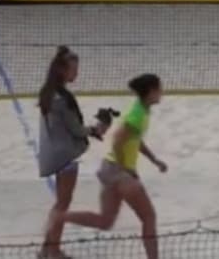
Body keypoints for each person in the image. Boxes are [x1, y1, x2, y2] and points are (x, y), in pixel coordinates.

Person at [59, 74, 167, 259]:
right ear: (150, 92)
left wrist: (154, 160)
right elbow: (117, 141)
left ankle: (60, 217)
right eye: (159, 89)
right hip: (118, 171)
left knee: (105, 221)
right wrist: (127, 169)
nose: (162, 92)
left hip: (108, 168)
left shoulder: (140, 110)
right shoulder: (137, 113)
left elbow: (134, 139)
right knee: (149, 217)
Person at [37, 46, 108, 259]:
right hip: (64, 156)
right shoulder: (61, 98)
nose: (76, 73)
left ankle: (46, 249)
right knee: (62, 204)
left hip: (55, 152)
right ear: (62, 71)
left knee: (61, 202)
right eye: (73, 69)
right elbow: (76, 129)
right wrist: (97, 129)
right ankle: (53, 250)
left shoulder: (50, 92)